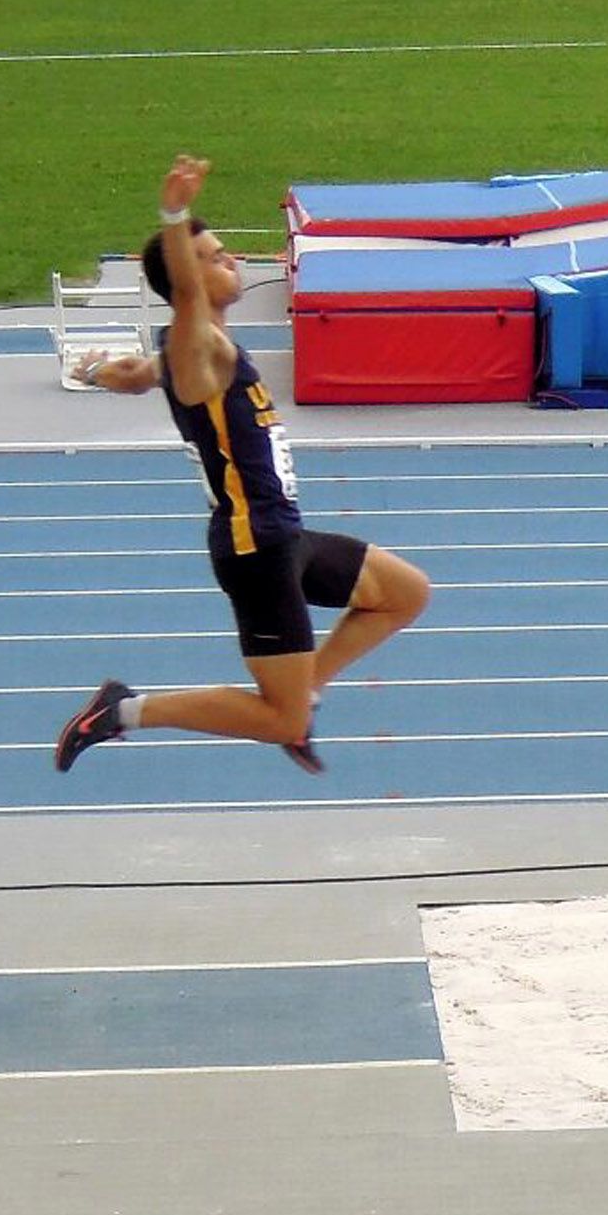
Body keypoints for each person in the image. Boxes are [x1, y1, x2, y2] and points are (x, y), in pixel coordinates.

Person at [54, 154, 430, 775]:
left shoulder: (191, 353)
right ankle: (121, 711)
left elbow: (136, 375)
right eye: (214, 257)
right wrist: (174, 216)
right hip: (255, 548)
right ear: (188, 283)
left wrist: (93, 369)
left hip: (284, 532)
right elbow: (182, 293)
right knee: (277, 721)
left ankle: (304, 691)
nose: (231, 261)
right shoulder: (194, 345)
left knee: (405, 594)